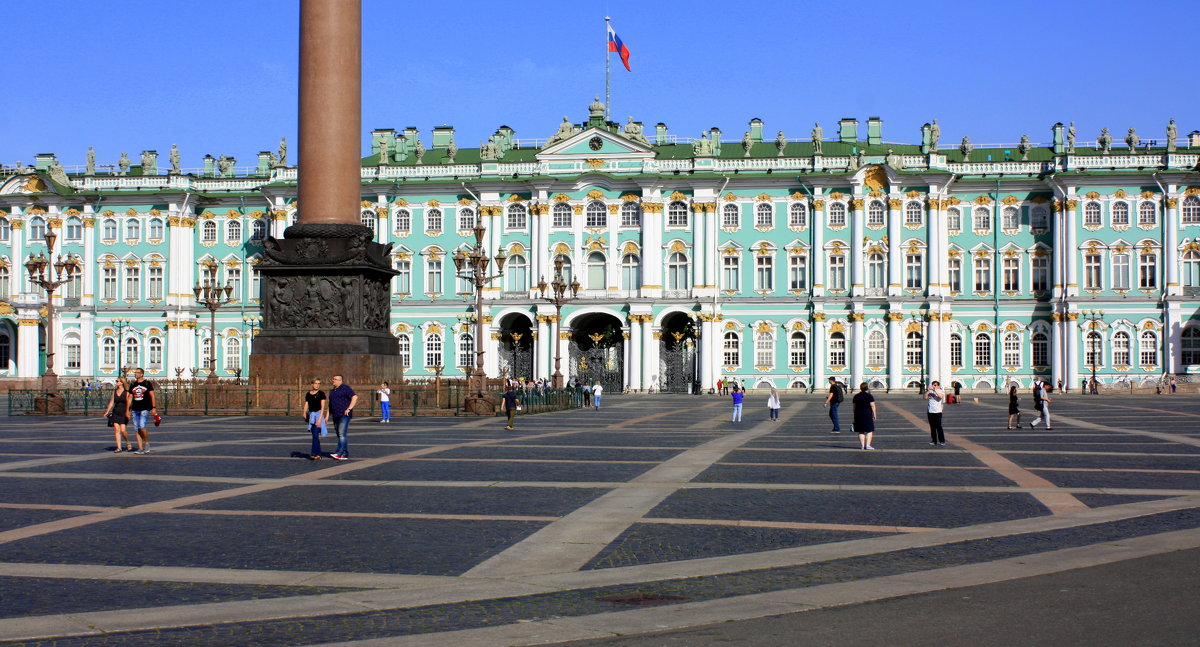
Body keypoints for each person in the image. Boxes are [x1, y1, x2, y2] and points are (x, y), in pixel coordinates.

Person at [327, 374, 358, 460]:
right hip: (335, 415)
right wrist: (327, 416)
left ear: (340, 381)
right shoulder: (333, 391)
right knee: (340, 435)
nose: (333, 380)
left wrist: (349, 408)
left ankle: (340, 452)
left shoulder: (345, 388)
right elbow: (330, 404)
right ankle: (344, 454)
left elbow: (354, 397)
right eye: (333, 379)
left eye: (335, 379)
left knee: (341, 434)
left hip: (344, 415)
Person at [128, 368, 156, 454]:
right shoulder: (133, 384)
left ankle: (146, 443)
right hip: (135, 408)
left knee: (142, 426)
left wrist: (153, 407)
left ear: (142, 374)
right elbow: (130, 397)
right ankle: (140, 448)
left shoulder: (147, 384)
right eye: (135, 372)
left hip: (145, 408)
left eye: (137, 372)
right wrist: (127, 409)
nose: (135, 374)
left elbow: (152, 396)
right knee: (136, 428)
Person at [102, 377, 132, 453]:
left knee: (123, 430)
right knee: (116, 429)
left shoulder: (127, 392)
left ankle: (128, 442)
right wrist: (107, 411)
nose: (116, 382)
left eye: (117, 381)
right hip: (116, 412)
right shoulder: (115, 392)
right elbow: (112, 402)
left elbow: (129, 403)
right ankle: (119, 447)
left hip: (124, 412)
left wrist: (128, 412)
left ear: (122, 382)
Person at [303, 379, 327, 460]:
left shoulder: (321, 394)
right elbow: (306, 404)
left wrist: (320, 418)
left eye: (319, 383)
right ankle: (318, 454)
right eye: (316, 383)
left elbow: (323, 407)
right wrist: (304, 412)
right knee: (314, 435)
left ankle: (314, 453)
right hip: (311, 415)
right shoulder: (308, 394)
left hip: (318, 414)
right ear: (312, 384)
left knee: (316, 434)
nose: (317, 385)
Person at [852, 382, 877, 450]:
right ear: (867, 388)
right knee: (869, 430)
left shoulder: (856, 396)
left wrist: (855, 415)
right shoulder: (869, 396)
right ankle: (868, 445)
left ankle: (862, 445)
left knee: (861, 430)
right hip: (867, 414)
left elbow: (854, 407)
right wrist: (874, 414)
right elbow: (872, 405)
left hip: (858, 414)